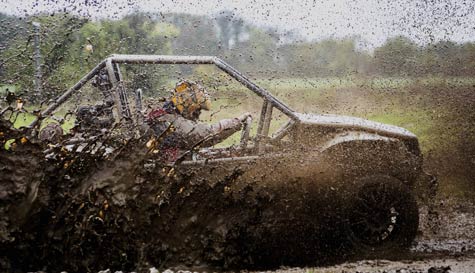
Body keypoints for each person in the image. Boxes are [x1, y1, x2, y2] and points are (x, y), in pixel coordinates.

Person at [146, 80, 251, 161]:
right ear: (188, 105)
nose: (198, 114)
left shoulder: (163, 113)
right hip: (165, 171)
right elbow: (203, 135)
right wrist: (236, 122)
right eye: (197, 110)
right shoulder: (168, 120)